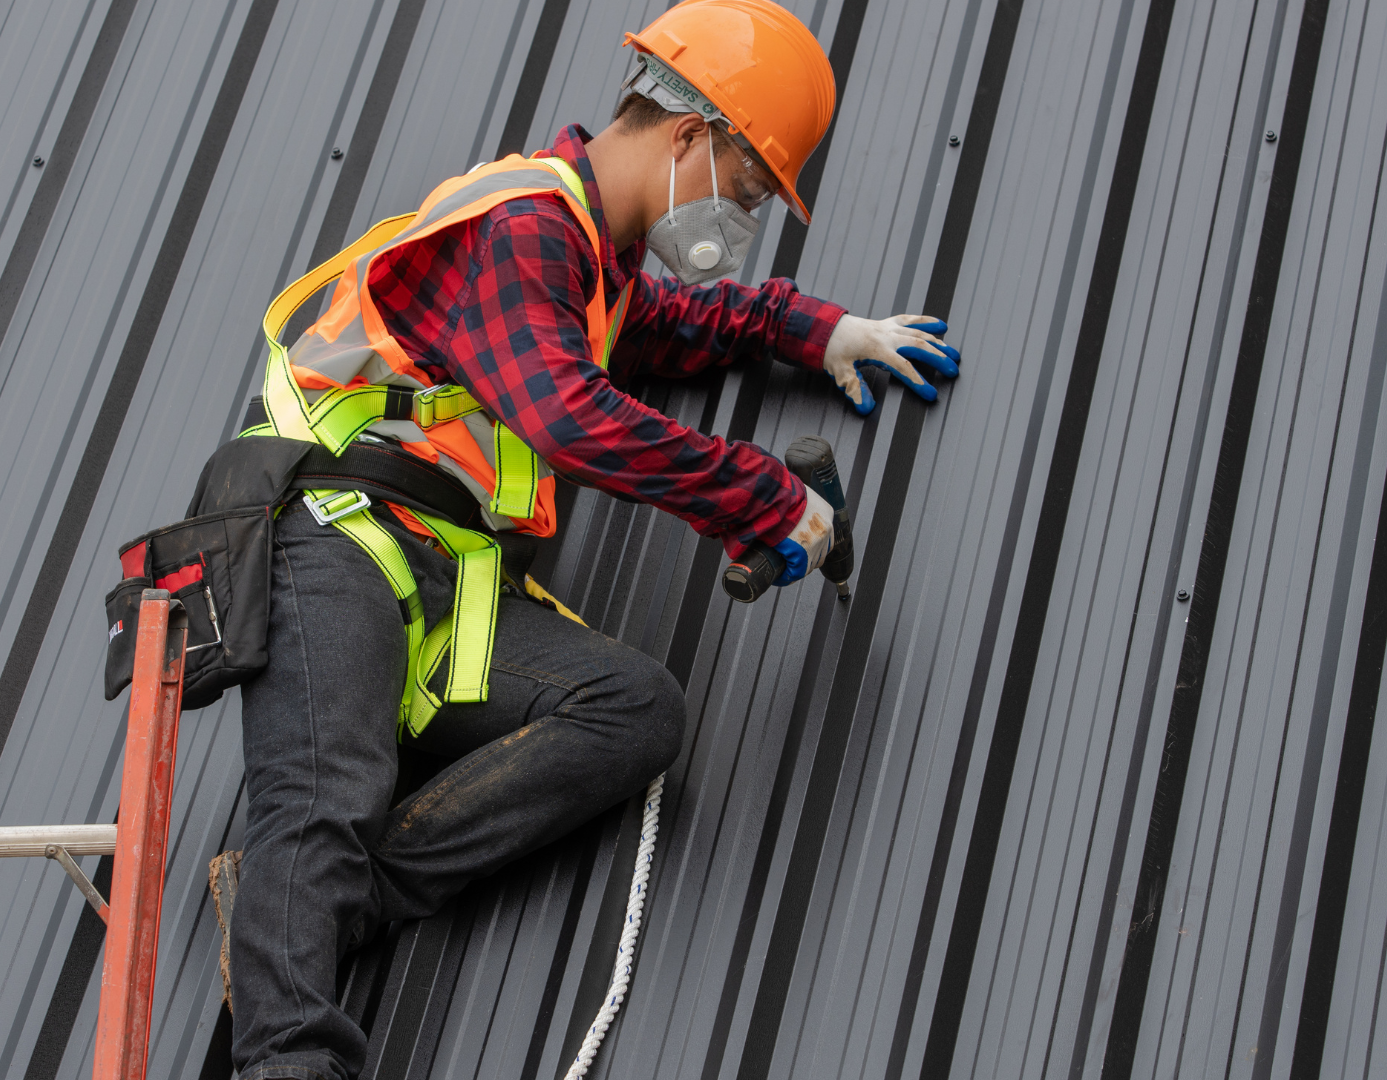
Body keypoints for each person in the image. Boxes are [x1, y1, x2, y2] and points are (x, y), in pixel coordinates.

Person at [225, 1, 961, 1076]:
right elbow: (570, 415)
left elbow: (687, 328)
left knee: (634, 709)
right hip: (331, 538)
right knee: (322, 794)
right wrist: (758, 495)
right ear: (688, 139)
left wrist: (824, 330)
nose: (742, 218)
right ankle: (289, 1055)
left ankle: (323, 901)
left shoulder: (593, 271)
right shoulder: (523, 226)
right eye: (749, 191)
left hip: (447, 585)